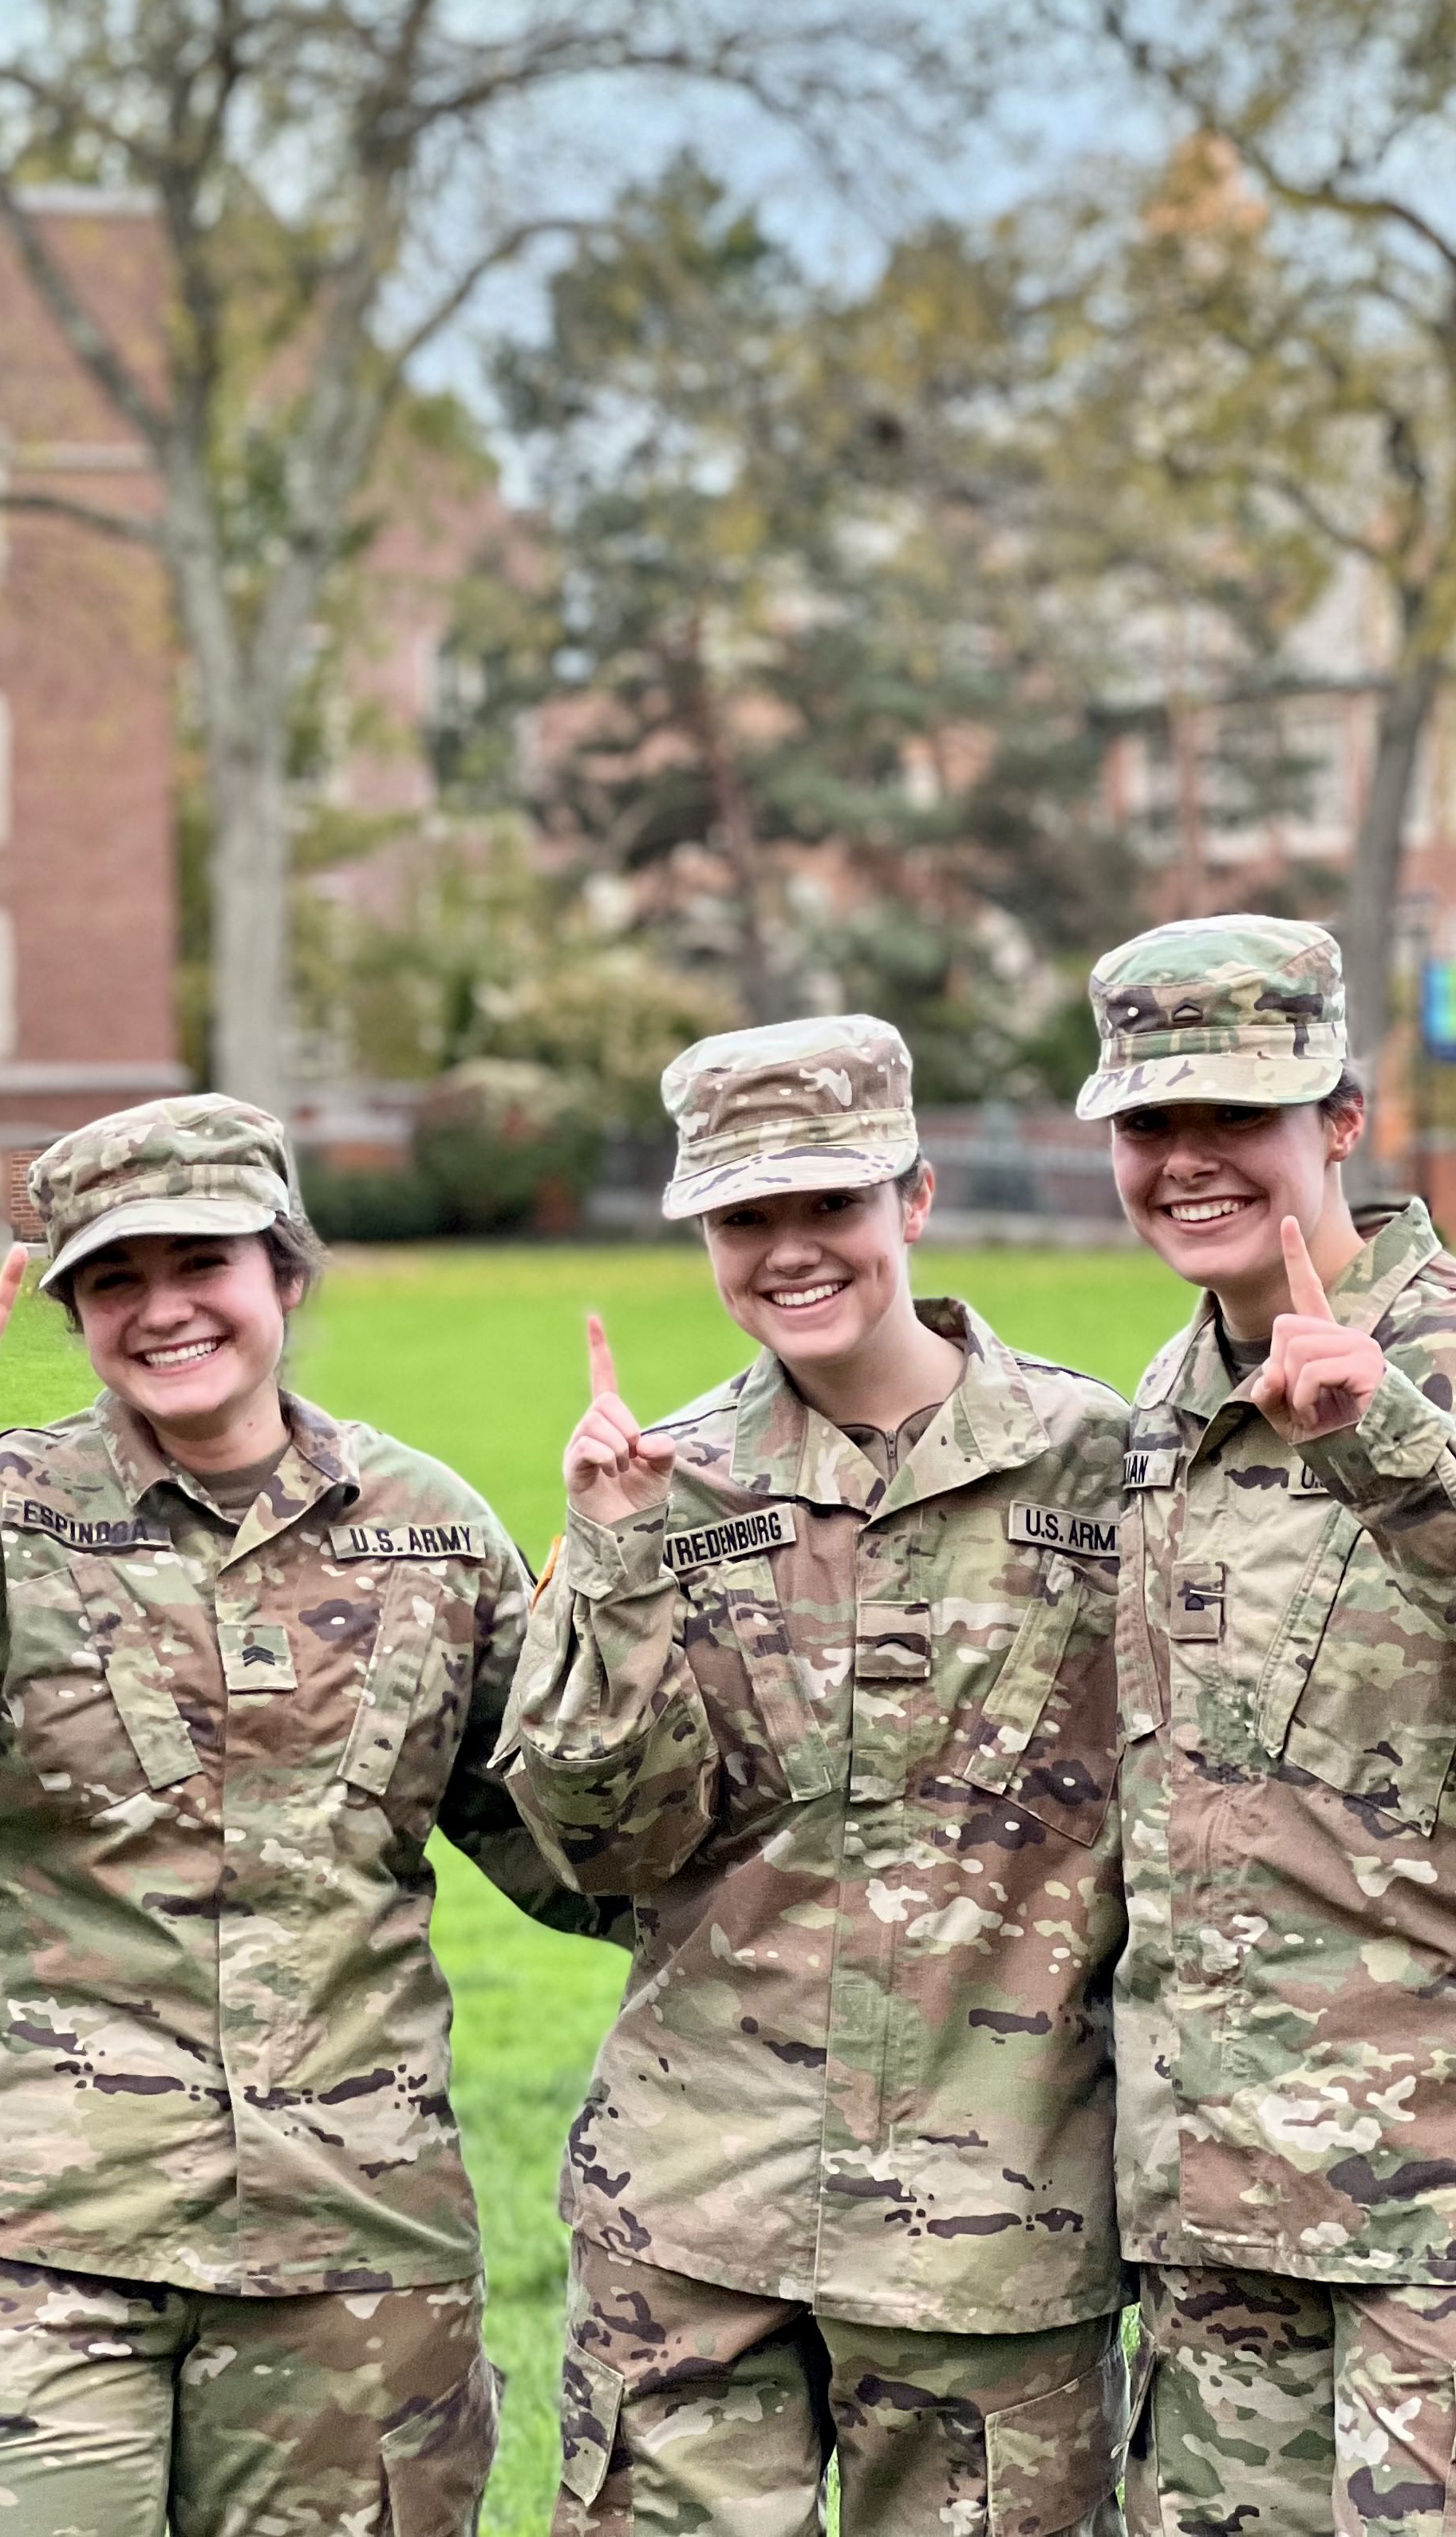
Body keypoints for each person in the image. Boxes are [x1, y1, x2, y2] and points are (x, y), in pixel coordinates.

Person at [0, 1089, 605, 2537]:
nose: (163, 1310)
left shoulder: (430, 1528)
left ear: (284, 1274)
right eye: (113, 1279)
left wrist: (637, 1629)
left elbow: (567, 1861)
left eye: (202, 1265)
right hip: (46, 2244)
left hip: (353, 2254)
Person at [506, 1014, 1133, 2537]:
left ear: (912, 1201)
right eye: (743, 1219)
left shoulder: (1103, 1463)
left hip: (1001, 2213)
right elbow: (588, 1846)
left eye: (829, 1206)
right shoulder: (664, 1483)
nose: (790, 1252)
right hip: (699, 2206)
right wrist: (612, 1561)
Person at [1077, 911, 1456, 2535]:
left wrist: (1398, 1454)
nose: (1186, 1163)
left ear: (1339, 1119)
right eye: (1147, 1124)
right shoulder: (1172, 1401)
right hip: (1226, 2222)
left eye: (1232, 1117)